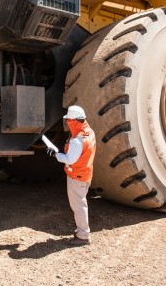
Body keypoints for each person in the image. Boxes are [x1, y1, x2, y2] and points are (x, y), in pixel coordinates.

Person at [47, 105, 96, 246]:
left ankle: (83, 236)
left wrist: (55, 154)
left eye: (68, 120)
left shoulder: (77, 141)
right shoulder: (89, 133)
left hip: (77, 177)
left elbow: (69, 159)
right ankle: (82, 232)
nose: (67, 122)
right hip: (85, 174)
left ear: (73, 121)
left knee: (79, 206)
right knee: (81, 204)